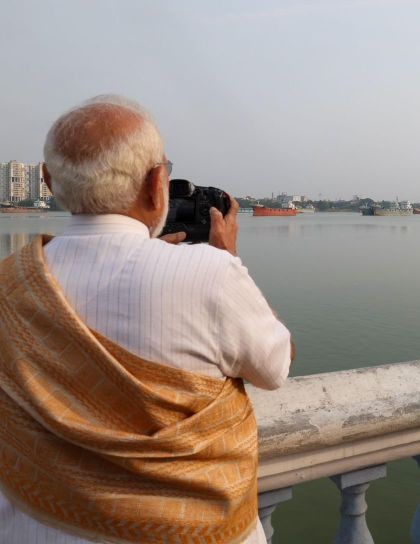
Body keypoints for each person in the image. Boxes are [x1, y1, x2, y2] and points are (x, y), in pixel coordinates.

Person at [0, 95, 293, 544]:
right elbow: (275, 368)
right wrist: (231, 262)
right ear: (157, 182)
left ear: (48, 180)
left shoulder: (9, 283)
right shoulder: (212, 276)